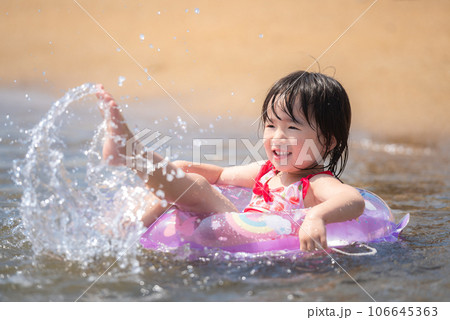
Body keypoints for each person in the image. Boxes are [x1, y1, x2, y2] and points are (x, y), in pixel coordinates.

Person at [96, 70, 365, 252]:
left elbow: (353, 200)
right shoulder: (266, 172)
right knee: (186, 177)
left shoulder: (315, 183)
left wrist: (316, 217)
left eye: (292, 129)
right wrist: (180, 167)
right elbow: (222, 174)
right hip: (234, 233)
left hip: (255, 244)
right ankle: (133, 228)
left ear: (328, 142)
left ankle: (130, 152)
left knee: (198, 188)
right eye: (271, 125)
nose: (277, 137)